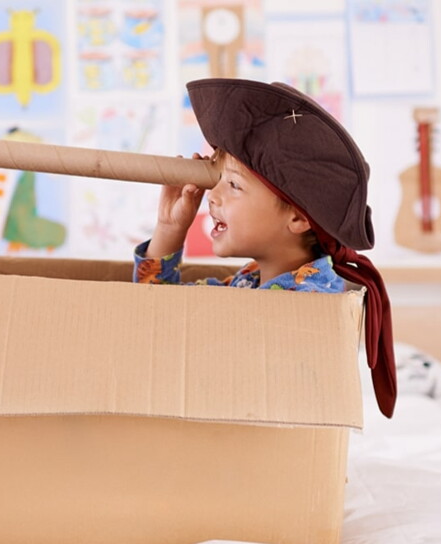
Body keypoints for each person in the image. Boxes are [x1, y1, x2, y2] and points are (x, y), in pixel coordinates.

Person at [133, 78, 397, 418]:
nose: (212, 196)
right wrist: (170, 229)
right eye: (217, 183)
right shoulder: (247, 284)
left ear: (299, 218)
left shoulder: (310, 302)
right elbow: (155, 317)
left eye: (233, 185)